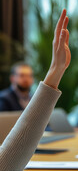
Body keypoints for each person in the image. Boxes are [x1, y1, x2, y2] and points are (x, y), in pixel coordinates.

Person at [0, 9, 71, 171]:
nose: (26, 79)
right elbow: (6, 165)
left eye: (29, 75)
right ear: (12, 78)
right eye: (21, 75)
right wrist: (55, 70)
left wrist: (57, 70)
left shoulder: (30, 97)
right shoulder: (4, 99)